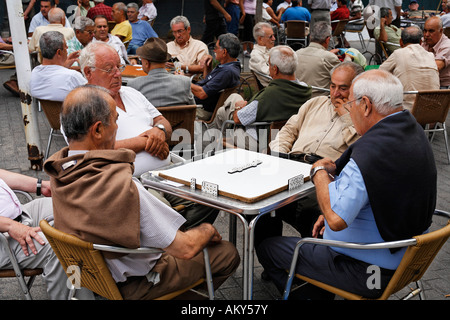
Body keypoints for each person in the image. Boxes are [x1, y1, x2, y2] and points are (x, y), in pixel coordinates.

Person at [44, 85, 240, 300]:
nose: (118, 127)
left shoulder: (60, 171)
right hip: (137, 282)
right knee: (227, 253)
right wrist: (207, 229)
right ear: (98, 130)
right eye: (116, 120)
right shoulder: (124, 187)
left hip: (96, 279)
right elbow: (185, 248)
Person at [257, 69, 437, 299]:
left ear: (365, 105)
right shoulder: (413, 132)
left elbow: (335, 219)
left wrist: (320, 173)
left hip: (368, 271)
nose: (348, 109)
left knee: (269, 247)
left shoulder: (369, 153)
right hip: (409, 258)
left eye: (351, 102)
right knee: (315, 225)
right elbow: (382, 191)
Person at [79, 42, 219, 228]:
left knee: (214, 194)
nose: (118, 73)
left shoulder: (131, 92)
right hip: (128, 182)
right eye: (109, 69)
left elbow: (164, 122)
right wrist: (145, 142)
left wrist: (159, 132)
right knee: (164, 210)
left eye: (119, 67)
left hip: (166, 172)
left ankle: (178, 238)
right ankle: (180, 240)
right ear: (88, 72)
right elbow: (90, 151)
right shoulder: (81, 105)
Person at [255, 61, 362, 254]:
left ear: (356, 88)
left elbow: (360, 148)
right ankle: (271, 260)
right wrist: (279, 154)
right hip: (290, 163)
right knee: (259, 205)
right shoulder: (315, 102)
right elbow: (288, 130)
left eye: (343, 88)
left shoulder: (361, 116)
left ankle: (311, 264)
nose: (336, 93)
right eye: (332, 86)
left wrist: (347, 116)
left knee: (311, 212)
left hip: (323, 174)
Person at [0, 169, 94, 300]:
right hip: (3, 236)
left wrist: (41, 185)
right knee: (58, 247)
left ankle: (83, 287)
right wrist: (9, 225)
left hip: (20, 214)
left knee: (70, 210)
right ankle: (73, 295)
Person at [207, 45, 312, 151]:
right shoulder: (305, 90)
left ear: (275, 69)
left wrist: (239, 108)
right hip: (289, 138)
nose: (269, 68)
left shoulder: (270, 95)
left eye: (269, 65)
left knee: (222, 111)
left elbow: (237, 119)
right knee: (234, 97)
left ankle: (213, 146)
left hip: (260, 142)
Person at [379, 26, 439, 111]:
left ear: (400, 42)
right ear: (421, 42)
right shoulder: (430, 55)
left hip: (409, 112)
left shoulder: (398, 54)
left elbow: (379, 74)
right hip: (434, 111)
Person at [128, 37, 195, 107]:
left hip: (150, 118)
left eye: (141, 59)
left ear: (147, 63)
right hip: (180, 118)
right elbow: (192, 109)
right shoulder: (184, 82)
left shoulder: (134, 85)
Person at [191, 33, 241, 120]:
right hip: (200, 103)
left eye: (216, 48)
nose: (214, 51)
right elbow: (209, 83)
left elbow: (202, 94)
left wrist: (183, 81)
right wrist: (208, 67)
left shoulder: (227, 72)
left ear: (224, 52)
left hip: (200, 109)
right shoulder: (230, 66)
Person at [30, 31, 87, 102]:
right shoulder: (72, 76)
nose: (67, 49)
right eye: (66, 47)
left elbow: (54, 76)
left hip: (50, 113)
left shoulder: (35, 72)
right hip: (74, 112)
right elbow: (93, 95)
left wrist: (64, 66)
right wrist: (84, 68)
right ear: (59, 52)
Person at [295, 21, 341, 96]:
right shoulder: (328, 57)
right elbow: (344, 75)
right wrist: (349, 57)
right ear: (327, 40)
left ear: (310, 37)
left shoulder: (297, 53)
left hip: (298, 98)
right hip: (320, 101)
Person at [422, 16, 450, 89]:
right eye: (425, 31)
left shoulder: (447, 45)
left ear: (440, 31)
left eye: (431, 31)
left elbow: (435, 68)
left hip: (443, 86)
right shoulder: (423, 41)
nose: (426, 35)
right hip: (425, 81)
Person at [249, 22, 275, 87]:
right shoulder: (256, 55)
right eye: (270, 37)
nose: (274, 39)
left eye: (274, 35)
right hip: (272, 88)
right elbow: (269, 75)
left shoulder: (269, 49)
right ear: (260, 39)